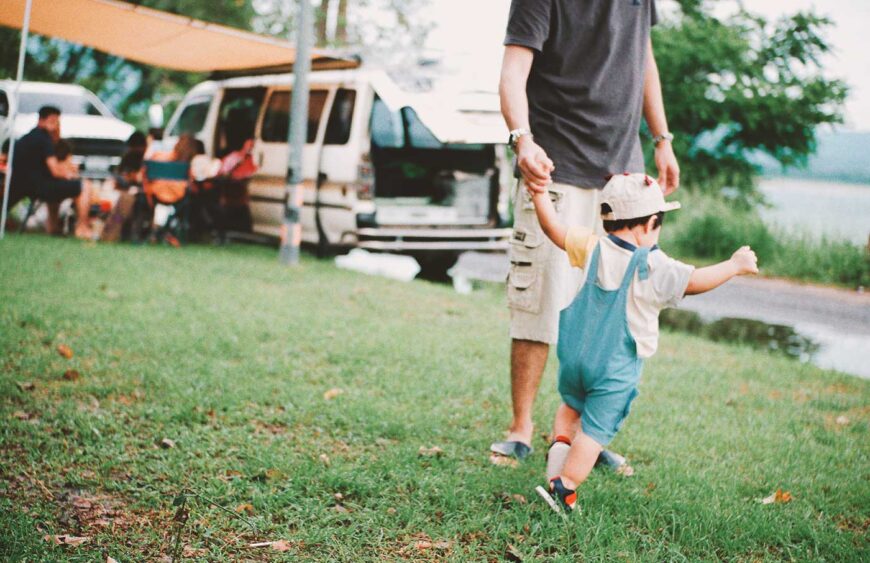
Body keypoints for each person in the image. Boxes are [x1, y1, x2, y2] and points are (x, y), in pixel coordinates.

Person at [493, 0, 680, 465]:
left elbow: (645, 57)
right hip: (554, 165)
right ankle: (520, 428)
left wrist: (662, 138)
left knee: (614, 315)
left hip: (623, 178)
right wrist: (523, 140)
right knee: (539, 299)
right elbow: (512, 72)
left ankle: (586, 436)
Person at [528, 173, 758, 513]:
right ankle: (566, 486)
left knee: (570, 409)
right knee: (594, 432)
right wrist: (734, 265)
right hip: (614, 369)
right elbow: (695, 281)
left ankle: (556, 459)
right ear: (649, 224)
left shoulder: (591, 247)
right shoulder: (653, 265)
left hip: (574, 357)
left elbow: (553, 229)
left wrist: (539, 193)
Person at [8, 106, 93, 238]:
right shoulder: (44, 139)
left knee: (58, 187)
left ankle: (53, 227)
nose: (55, 126)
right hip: (39, 187)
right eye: (52, 121)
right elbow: (54, 170)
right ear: (41, 120)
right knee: (84, 185)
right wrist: (69, 175)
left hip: (19, 187)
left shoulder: (25, 139)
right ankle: (82, 227)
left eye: (57, 122)